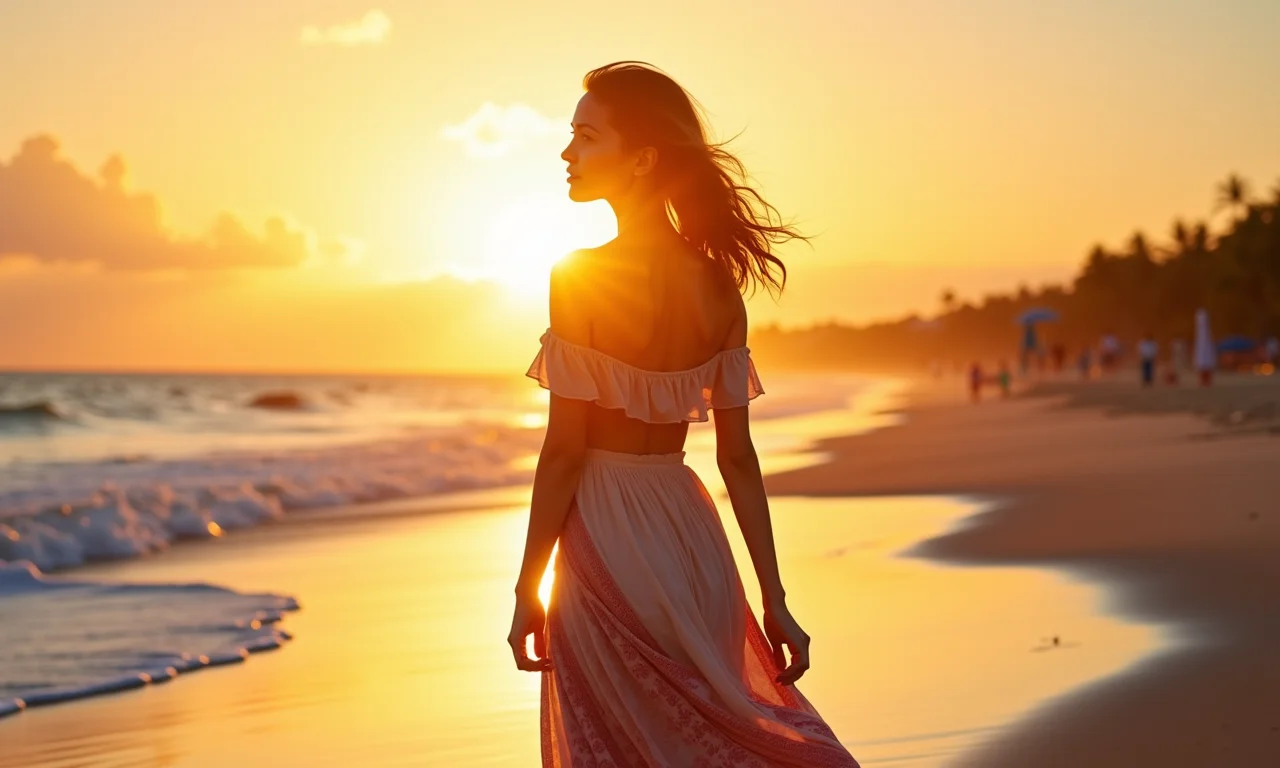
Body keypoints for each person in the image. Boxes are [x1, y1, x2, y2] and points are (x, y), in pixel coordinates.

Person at [508, 62, 860, 766]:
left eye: (586, 136)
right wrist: (775, 600)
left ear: (641, 159)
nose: (567, 153)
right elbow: (737, 459)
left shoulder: (577, 278)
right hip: (693, 540)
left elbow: (565, 453)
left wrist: (528, 587)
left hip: (608, 534)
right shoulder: (719, 289)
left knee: (623, 747)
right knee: (714, 738)